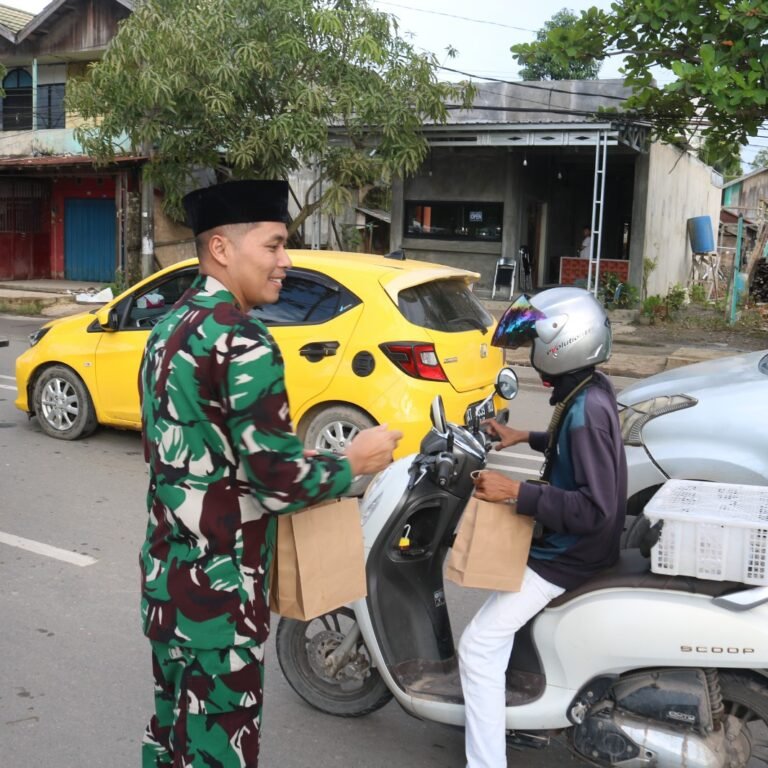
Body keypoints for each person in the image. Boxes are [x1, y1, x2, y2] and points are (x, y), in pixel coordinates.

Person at [138, 179, 402, 768]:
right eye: (274, 245)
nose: (286, 262)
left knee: (170, 738)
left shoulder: (167, 329)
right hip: (220, 598)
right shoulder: (242, 338)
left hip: (166, 585)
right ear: (223, 250)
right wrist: (354, 460)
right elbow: (278, 482)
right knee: (217, 753)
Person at [457, 287, 627, 768]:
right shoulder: (588, 391)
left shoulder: (585, 413)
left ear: (563, 342)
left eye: (535, 343)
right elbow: (569, 448)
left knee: (478, 643)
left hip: (571, 553)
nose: (531, 355)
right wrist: (522, 436)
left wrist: (516, 493)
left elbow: (594, 508)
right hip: (575, 542)